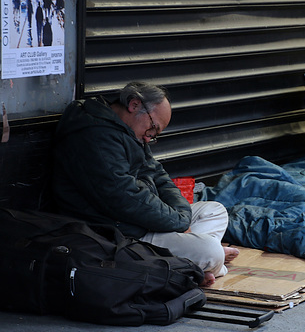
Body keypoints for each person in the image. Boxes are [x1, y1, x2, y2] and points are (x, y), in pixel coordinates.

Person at [52, 82, 238, 286]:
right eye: (152, 128)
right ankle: (199, 265)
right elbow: (126, 197)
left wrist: (179, 217)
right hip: (123, 233)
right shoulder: (94, 136)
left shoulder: (127, 131)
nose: (150, 138)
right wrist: (178, 222)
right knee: (210, 251)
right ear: (133, 105)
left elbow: (157, 174)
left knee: (215, 211)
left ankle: (187, 266)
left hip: (144, 221)